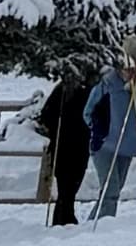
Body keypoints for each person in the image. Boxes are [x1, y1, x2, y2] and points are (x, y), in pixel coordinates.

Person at [81, 47, 136, 220]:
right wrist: (100, 131)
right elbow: (88, 111)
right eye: (130, 69)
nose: (133, 72)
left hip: (126, 146)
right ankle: (102, 227)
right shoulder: (108, 84)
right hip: (105, 145)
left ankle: (94, 223)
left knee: (113, 192)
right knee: (110, 191)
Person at [33, 58, 92, 229]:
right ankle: (64, 217)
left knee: (68, 184)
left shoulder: (81, 91)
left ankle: (65, 216)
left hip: (72, 144)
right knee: (68, 184)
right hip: (68, 144)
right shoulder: (62, 93)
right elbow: (46, 116)